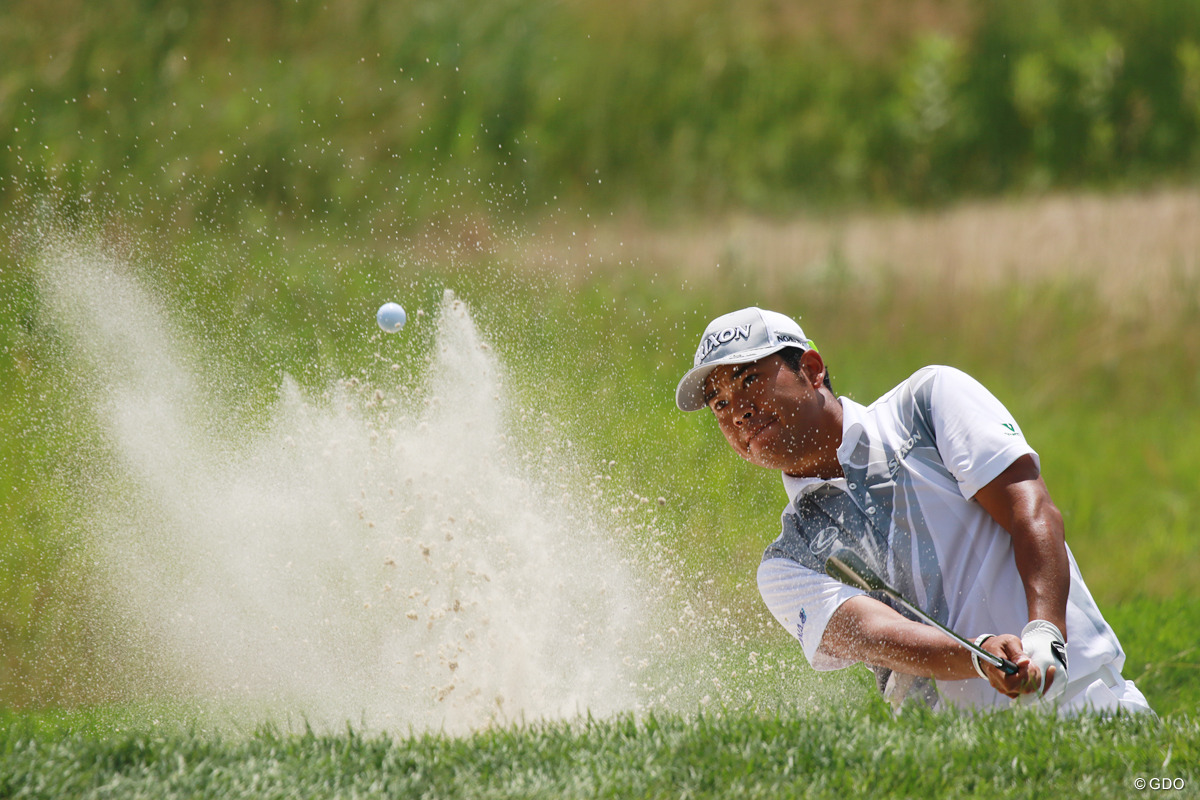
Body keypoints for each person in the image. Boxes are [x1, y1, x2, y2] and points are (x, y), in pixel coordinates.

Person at [675, 306, 1153, 714]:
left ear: (813, 369)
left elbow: (1030, 507)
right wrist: (978, 657)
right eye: (719, 404)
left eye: (749, 380)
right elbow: (873, 634)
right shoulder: (787, 561)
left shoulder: (927, 403)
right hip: (960, 764)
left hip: (1089, 703)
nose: (736, 410)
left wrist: (1045, 631)